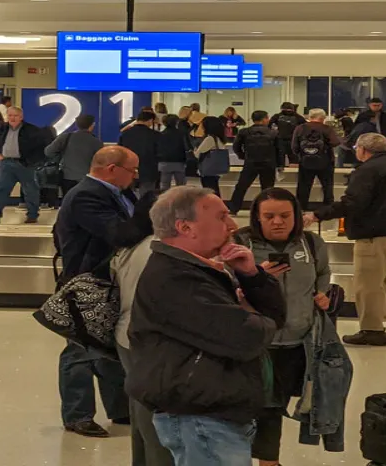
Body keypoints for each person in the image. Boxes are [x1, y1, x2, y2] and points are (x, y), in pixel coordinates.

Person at [127, 186, 287, 466]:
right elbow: (247, 337)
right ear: (185, 227)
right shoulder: (175, 279)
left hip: (216, 412)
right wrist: (249, 312)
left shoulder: (203, 271)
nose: (232, 225)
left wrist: (251, 276)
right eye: (221, 217)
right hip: (200, 418)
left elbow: (277, 319)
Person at [233, 189, 334, 466]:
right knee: (268, 407)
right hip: (257, 344)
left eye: (285, 216)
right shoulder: (240, 244)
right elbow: (225, 285)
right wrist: (256, 276)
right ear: (257, 217)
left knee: (290, 403)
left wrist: (322, 294)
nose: (277, 222)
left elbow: (323, 273)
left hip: (301, 343)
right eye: (269, 216)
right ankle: (267, 461)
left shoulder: (311, 243)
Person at [53, 146, 146, 437]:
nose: (135, 176)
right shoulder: (86, 196)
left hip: (110, 282)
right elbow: (120, 233)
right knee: (80, 351)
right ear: (111, 169)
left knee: (110, 348)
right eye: (132, 170)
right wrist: (148, 212)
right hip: (86, 283)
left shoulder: (117, 193)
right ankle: (77, 415)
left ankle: (119, 409)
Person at [306, 133, 386, 346]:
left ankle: (372, 329)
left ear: (363, 150)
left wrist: (318, 215)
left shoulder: (367, 170)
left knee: (368, 284)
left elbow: (353, 202)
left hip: (374, 235)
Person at [112, 214, 172, 466]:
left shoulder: (133, 245)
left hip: (126, 334)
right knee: (155, 420)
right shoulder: (158, 251)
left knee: (140, 409)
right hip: (145, 339)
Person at [0, 107, 49, 225]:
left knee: (30, 190)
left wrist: (32, 161)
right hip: (6, 163)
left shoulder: (31, 130)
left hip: (24, 164)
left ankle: (32, 215)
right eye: (10, 115)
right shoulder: (2, 128)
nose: (12, 118)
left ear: (21, 117)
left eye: (15, 115)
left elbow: (40, 147)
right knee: (2, 189)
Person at [228, 111, 279, 215]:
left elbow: (236, 146)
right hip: (268, 163)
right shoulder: (273, 133)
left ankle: (233, 208)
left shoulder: (244, 132)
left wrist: (242, 156)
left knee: (241, 186)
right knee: (267, 189)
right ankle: (267, 209)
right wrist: (279, 164)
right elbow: (279, 150)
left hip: (250, 162)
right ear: (264, 119)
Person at [45, 114, 106, 200]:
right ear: (92, 125)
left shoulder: (65, 137)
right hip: (87, 178)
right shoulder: (96, 142)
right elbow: (101, 161)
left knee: (68, 200)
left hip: (67, 176)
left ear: (77, 124)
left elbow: (48, 152)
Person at [292, 109, 341, 211]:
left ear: (310, 117)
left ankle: (300, 209)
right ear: (323, 118)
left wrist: (301, 154)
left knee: (303, 187)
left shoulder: (300, 128)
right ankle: (328, 209)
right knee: (327, 186)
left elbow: (294, 147)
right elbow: (335, 142)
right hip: (325, 161)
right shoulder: (326, 128)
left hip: (305, 162)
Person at [118, 111, 160, 194]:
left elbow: (120, 150)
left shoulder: (125, 134)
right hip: (149, 169)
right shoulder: (155, 135)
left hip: (128, 167)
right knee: (146, 195)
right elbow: (159, 151)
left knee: (128, 193)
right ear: (150, 120)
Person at [192, 115, 230, 197]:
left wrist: (194, 150)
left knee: (210, 191)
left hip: (208, 170)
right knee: (214, 190)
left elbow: (198, 154)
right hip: (216, 170)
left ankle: (215, 204)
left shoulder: (210, 139)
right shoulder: (218, 138)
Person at [157, 114, 190, 190]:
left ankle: (165, 197)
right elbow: (187, 147)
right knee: (181, 185)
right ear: (176, 122)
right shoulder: (182, 134)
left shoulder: (160, 134)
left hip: (164, 161)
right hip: (179, 161)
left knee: (164, 185)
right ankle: (180, 197)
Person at [270, 102, 304, 167]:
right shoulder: (297, 117)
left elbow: (269, 126)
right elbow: (304, 127)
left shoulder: (277, 116)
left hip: (281, 139)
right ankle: (293, 171)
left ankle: (280, 170)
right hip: (292, 140)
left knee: (280, 159)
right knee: (293, 160)